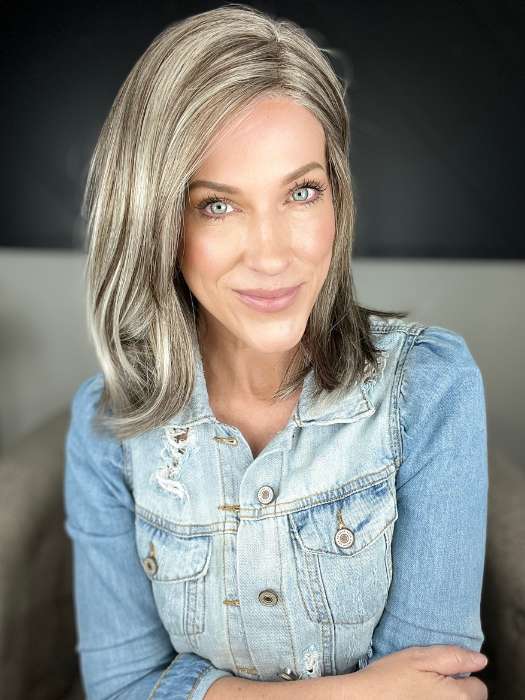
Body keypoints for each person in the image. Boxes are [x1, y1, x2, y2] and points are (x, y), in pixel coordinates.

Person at [64, 4, 489, 699]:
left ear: (336, 198)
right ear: (155, 222)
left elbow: (435, 687)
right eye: (217, 204)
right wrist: (353, 692)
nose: (271, 255)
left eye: (301, 192)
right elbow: (118, 688)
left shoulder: (430, 387)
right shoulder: (107, 427)